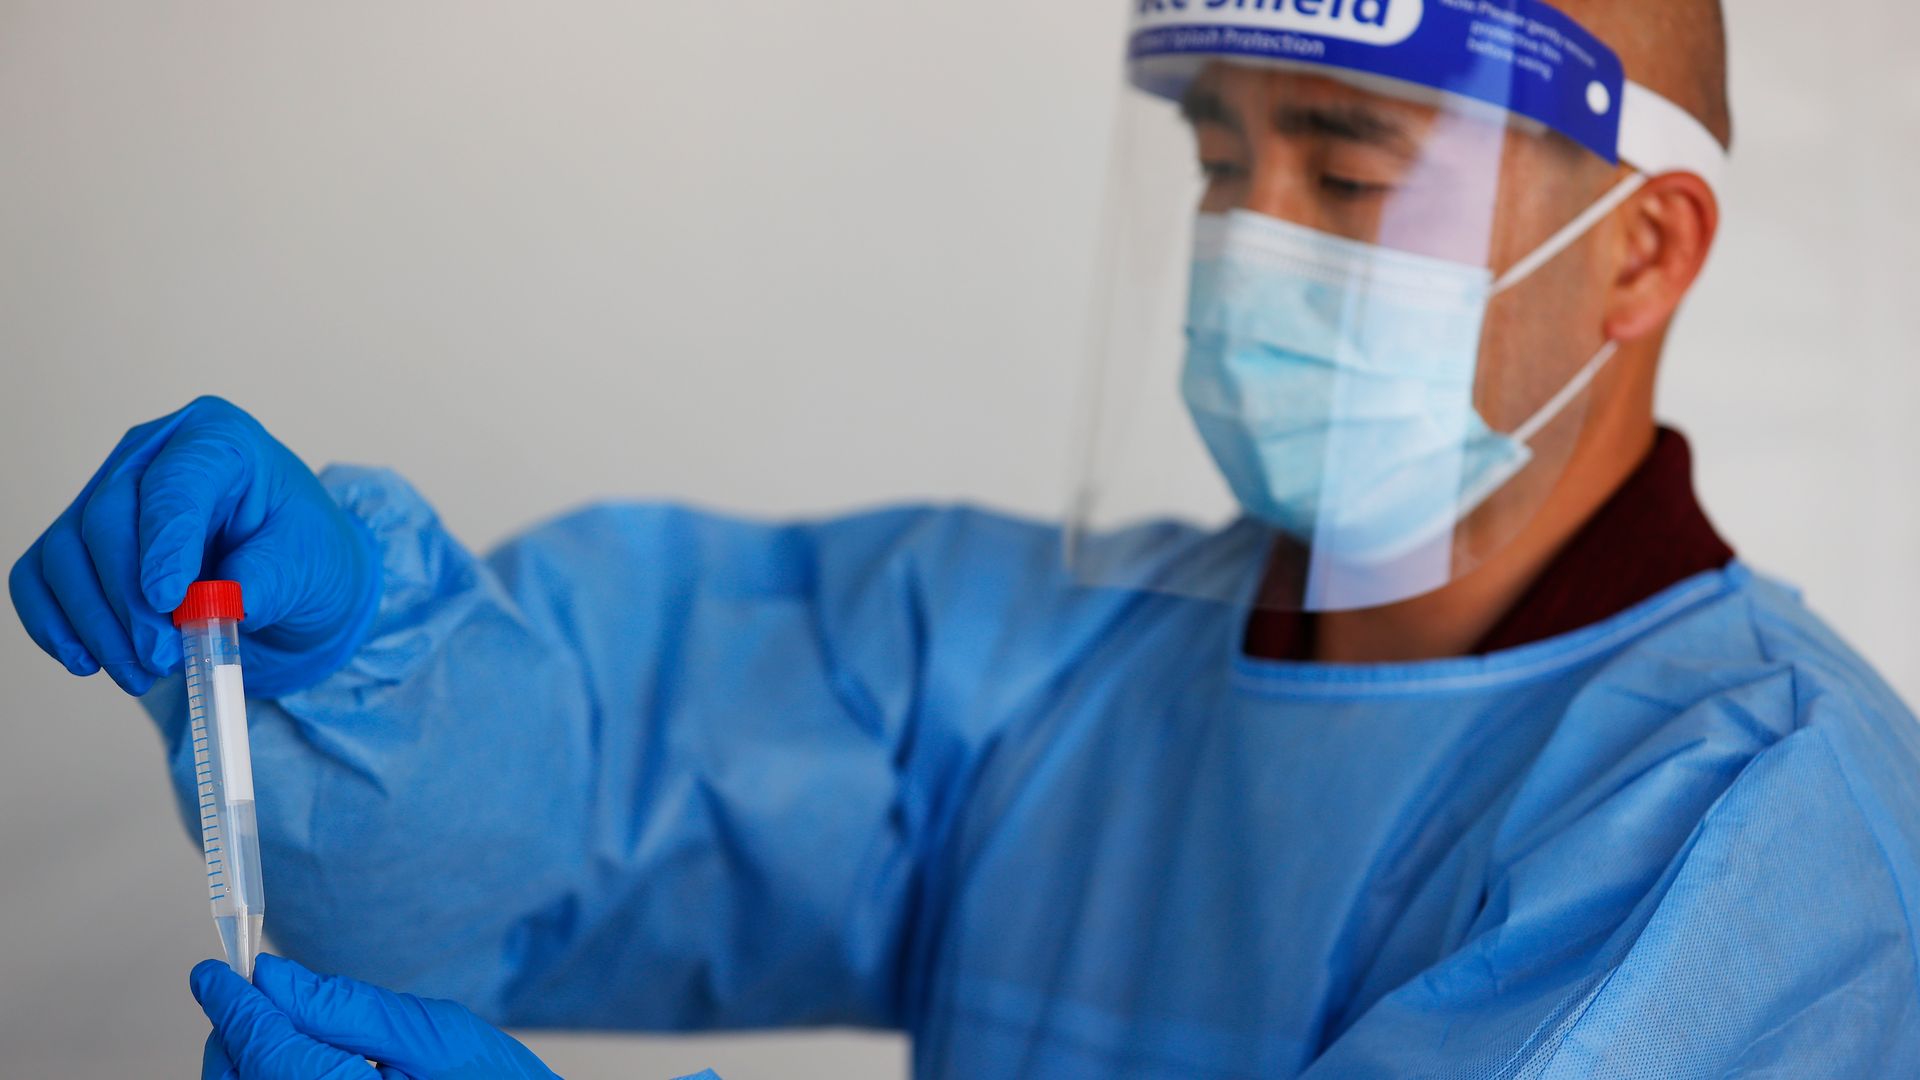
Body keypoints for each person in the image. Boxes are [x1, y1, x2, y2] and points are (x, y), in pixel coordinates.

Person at [14, 1, 1920, 1077]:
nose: (1247, 238)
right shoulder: (1045, 662)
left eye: (1344, 164)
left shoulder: (1761, 842)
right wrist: (352, 664)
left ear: (1643, 255)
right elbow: (574, 808)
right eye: (1215, 161)